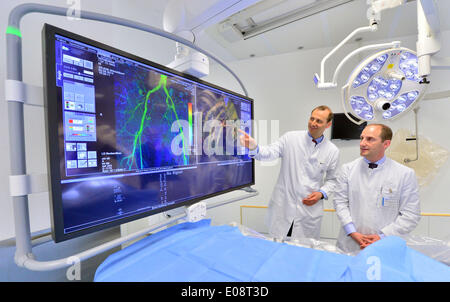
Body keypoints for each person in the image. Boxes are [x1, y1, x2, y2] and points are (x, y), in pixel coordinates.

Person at [239, 105, 339, 240]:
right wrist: (254, 147)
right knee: (277, 249)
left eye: (319, 121)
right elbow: (269, 153)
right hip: (283, 207)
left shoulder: (332, 150)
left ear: (328, 124)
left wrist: (322, 193)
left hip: (308, 212)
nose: (313, 123)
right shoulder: (290, 138)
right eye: (312, 119)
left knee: (302, 253)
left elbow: (333, 180)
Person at [333, 123, 421, 253]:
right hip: (350, 244)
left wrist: (382, 236)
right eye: (362, 138)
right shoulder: (348, 169)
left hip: (386, 246)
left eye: (370, 139)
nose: (362, 143)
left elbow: (411, 215)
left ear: (386, 144)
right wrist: (352, 232)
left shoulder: (404, 174)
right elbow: (340, 202)